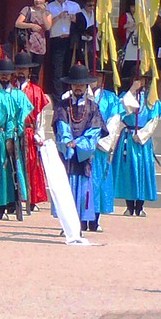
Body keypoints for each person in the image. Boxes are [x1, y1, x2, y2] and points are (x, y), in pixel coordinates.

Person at [54, 64, 106, 233]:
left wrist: (80, 144)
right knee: (66, 188)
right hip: (67, 154)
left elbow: (95, 130)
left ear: (86, 86)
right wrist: (68, 142)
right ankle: (66, 224)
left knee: (83, 191)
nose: (78, 87)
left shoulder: (93, 107)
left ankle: (80, 225)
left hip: (83, 155)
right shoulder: (62, 106)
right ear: (70, 85)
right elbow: (61, 126)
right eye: (75, 84)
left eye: (81, 84)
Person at [0, 58, 31, 221]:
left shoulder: (5, 97)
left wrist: (10, 138)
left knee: (1, 172)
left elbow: (11, 119)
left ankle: (1, 206)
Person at [115, 71, 161, 217]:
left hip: (142, 139)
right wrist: (131, 90)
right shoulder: (126, 96)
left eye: (142, 79)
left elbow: (154, 120)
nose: (140, 82)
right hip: (128, 137)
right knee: (128, 170)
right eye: (137, 79)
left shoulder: (151, 99)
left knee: (143, 169)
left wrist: (143, 135)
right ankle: (129, 206)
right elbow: (124, 109)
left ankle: (140, 206)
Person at [14, 52, 51, 214]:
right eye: (19, 69)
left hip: (29, 132)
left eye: (25, 69)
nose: (22, 72)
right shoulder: (10, 90)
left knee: (30, 165)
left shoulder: (36, 91)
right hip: (13, 132)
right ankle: (14, 199)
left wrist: (39, 135)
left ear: (30, 71)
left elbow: (41, 117)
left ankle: (32, 198)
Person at [91, 68, 126, 219]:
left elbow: (114, 122)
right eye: (92, 75)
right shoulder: (76, 96)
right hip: (80, 148)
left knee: (98, 181)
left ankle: (95, 218)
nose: (95, 79)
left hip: (99, 147)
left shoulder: (111, 99)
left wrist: (100, 142)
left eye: (98, 76)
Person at [46, 0, 81, 97]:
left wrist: (74, 18)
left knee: (69, 67)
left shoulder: (74, 6)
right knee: (57, 69)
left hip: (70, 40)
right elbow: (47, 26)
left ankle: (69, 94)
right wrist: (58, 16)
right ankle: (58, 96)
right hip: (57, 40)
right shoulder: (50, 6)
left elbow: (81, 23)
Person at [13, 0, 52, 78]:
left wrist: (43, 13)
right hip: (28, 43)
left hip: (40, 45)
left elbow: (48, 27)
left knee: (35, 73)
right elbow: (18, 23)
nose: (38, 0)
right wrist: (31, 25)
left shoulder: (47, 13)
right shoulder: (27, 10)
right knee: (25, 69)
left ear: (45, 1)